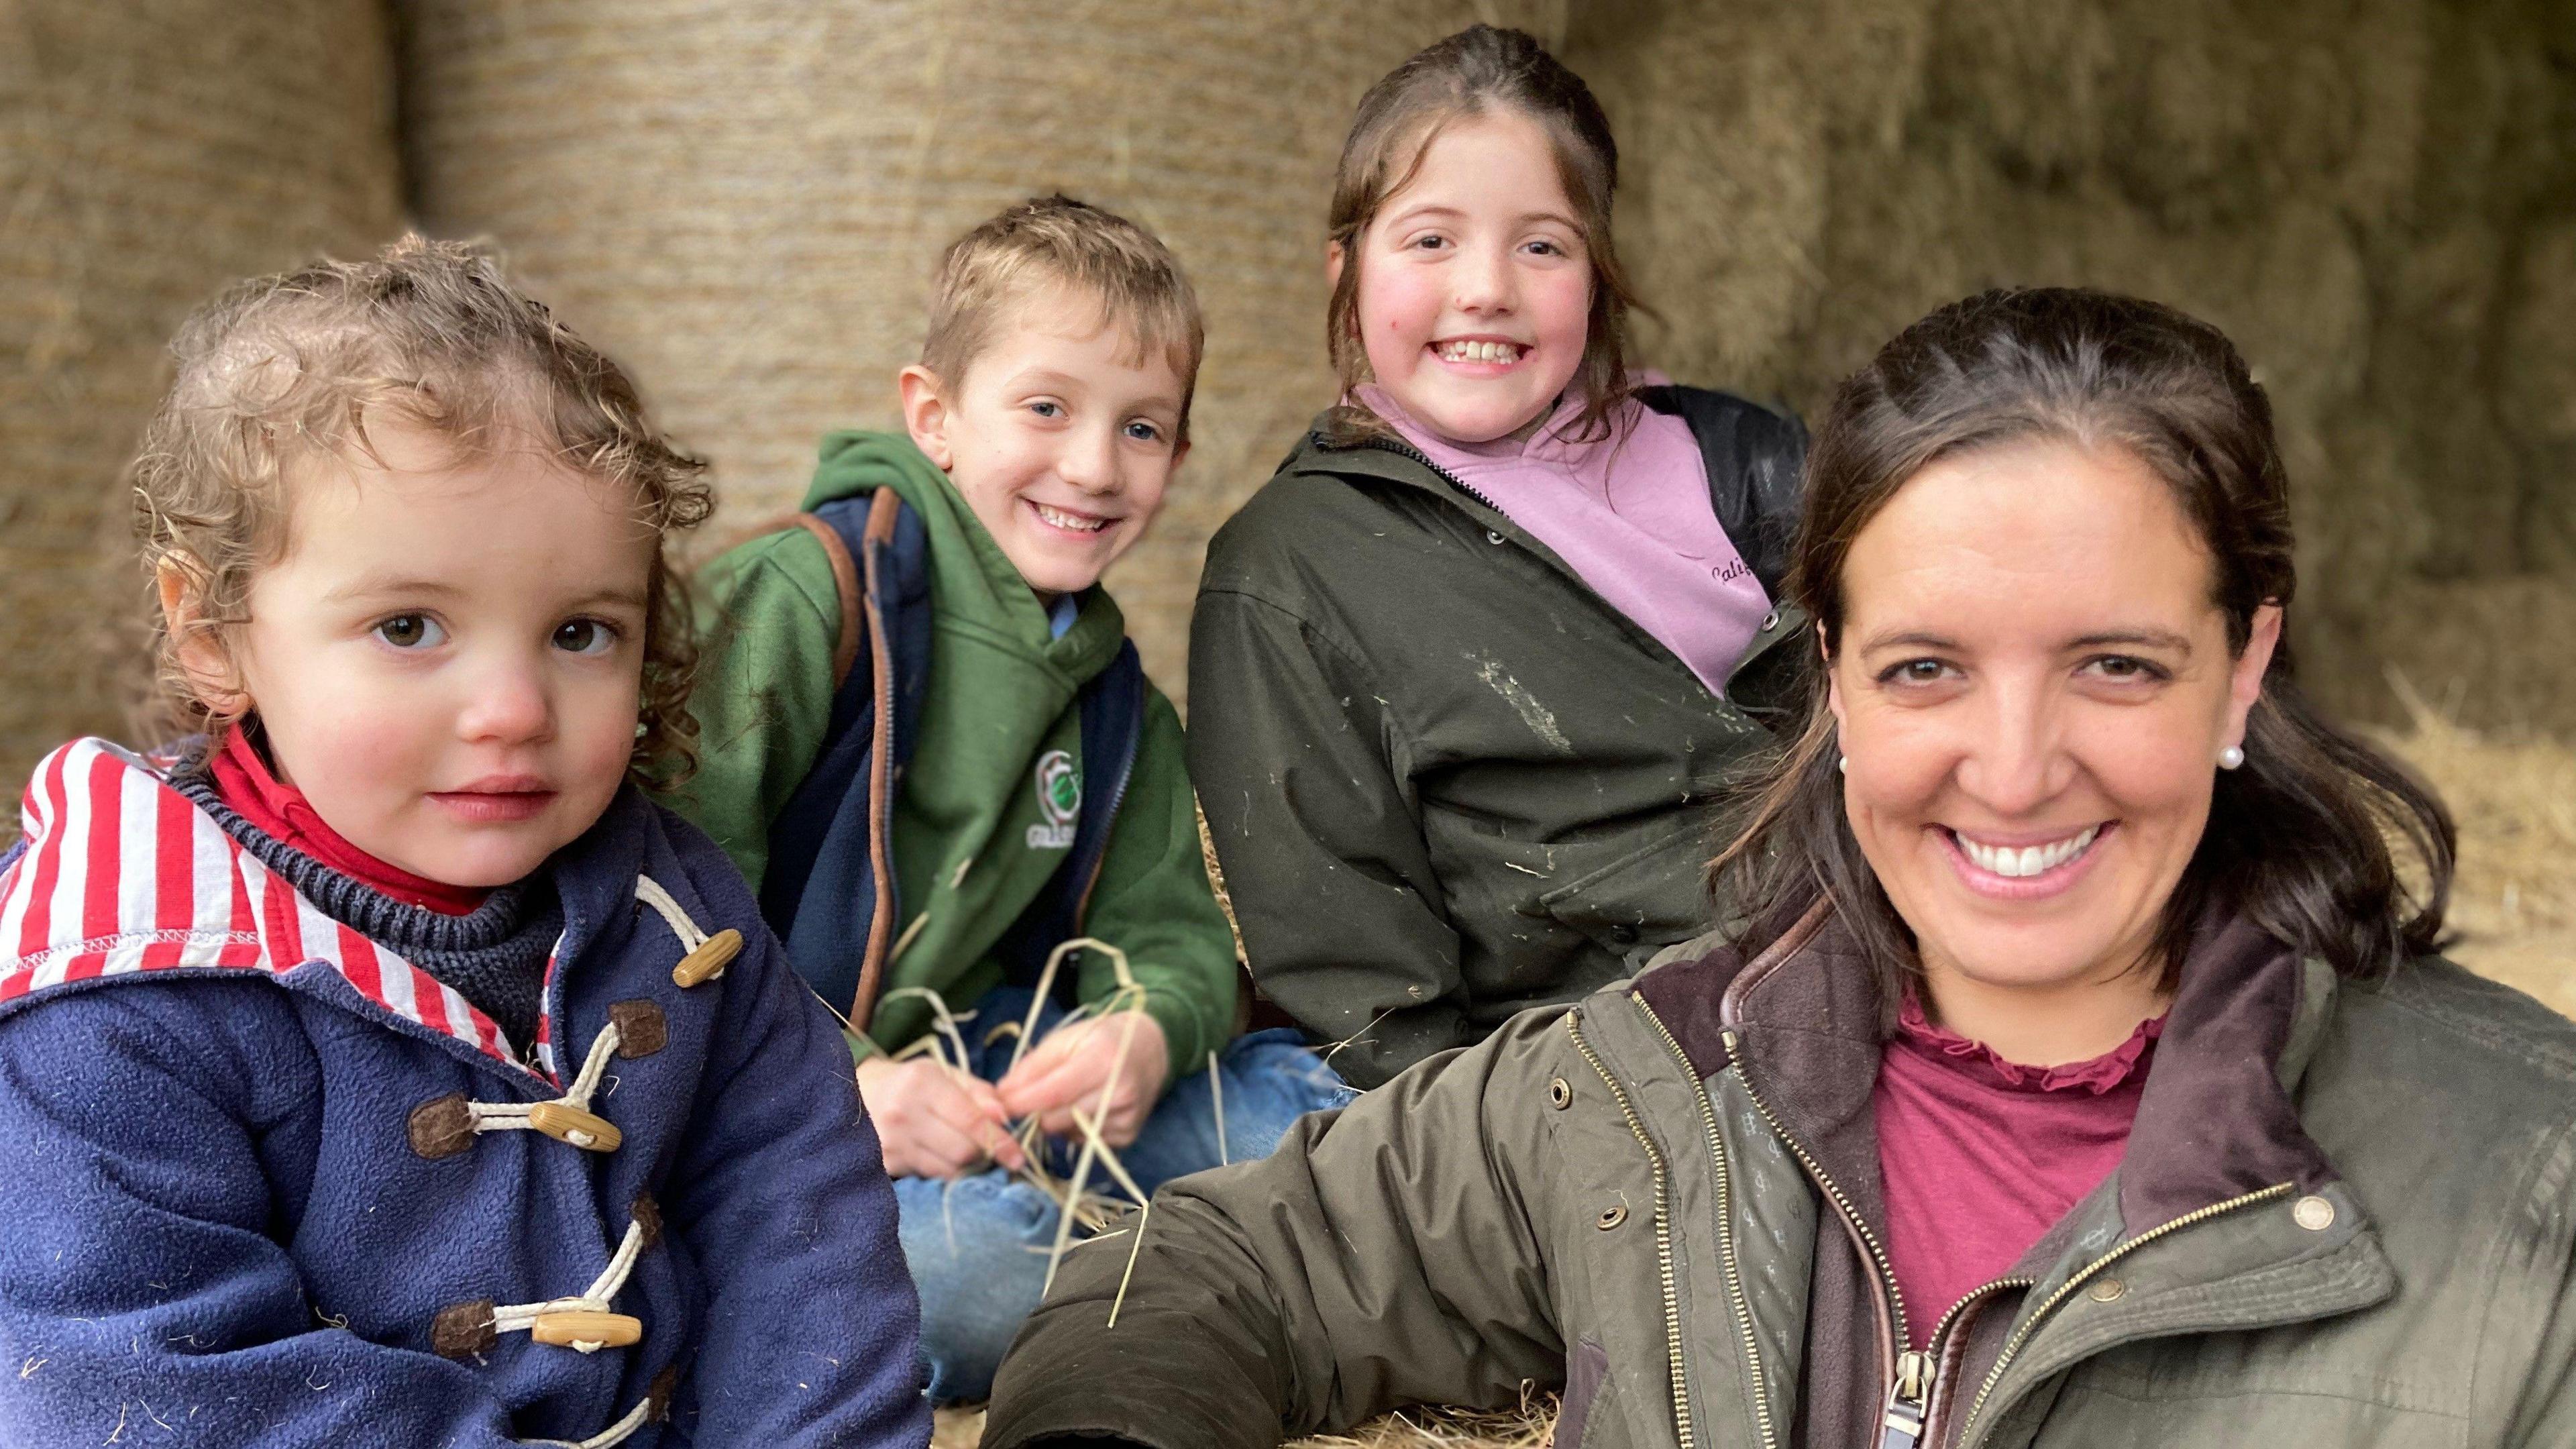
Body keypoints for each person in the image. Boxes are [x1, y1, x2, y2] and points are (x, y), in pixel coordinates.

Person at [979, 288, 2576, 1448]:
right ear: (1830, 676)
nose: (2013, 771)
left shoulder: (2531, 1197)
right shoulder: (1660, 1078)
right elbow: (1199, 1270)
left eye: (2117, 668)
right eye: (1926, 670)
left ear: (2245, 668)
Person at [0, 239, 929, 1446]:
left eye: (582, 632)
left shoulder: (677, 915)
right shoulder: (117, 999)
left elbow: (800, 1217)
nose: (515, 709)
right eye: (407, 625)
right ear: (215, 632)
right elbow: (149, 1382)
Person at [672, 196, 1346, 1403]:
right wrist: (844, 1090)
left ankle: (1171, 1267)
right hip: (775, 1116)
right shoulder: (806, 604)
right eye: (1046, 408)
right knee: (972, 1277)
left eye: (1142, 428)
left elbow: (1171, 934)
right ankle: (1223, 1288)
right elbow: (662, 903)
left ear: (1180, 459)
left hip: (996, 1090)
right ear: (933, 415)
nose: (1092, 466)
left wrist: (1137, 1035)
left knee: (1304, 1109)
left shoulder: (1116, 699)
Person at [1185, 25, 1811, 1089]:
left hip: (1907, 1003)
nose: (1486, 289)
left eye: (1543, 246)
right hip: (1631, 1105)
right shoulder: (1288, 576)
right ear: (1345, 271)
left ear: (1598, 278)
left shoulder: (1747, 460)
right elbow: (1373, 1021)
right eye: (1430, 242)